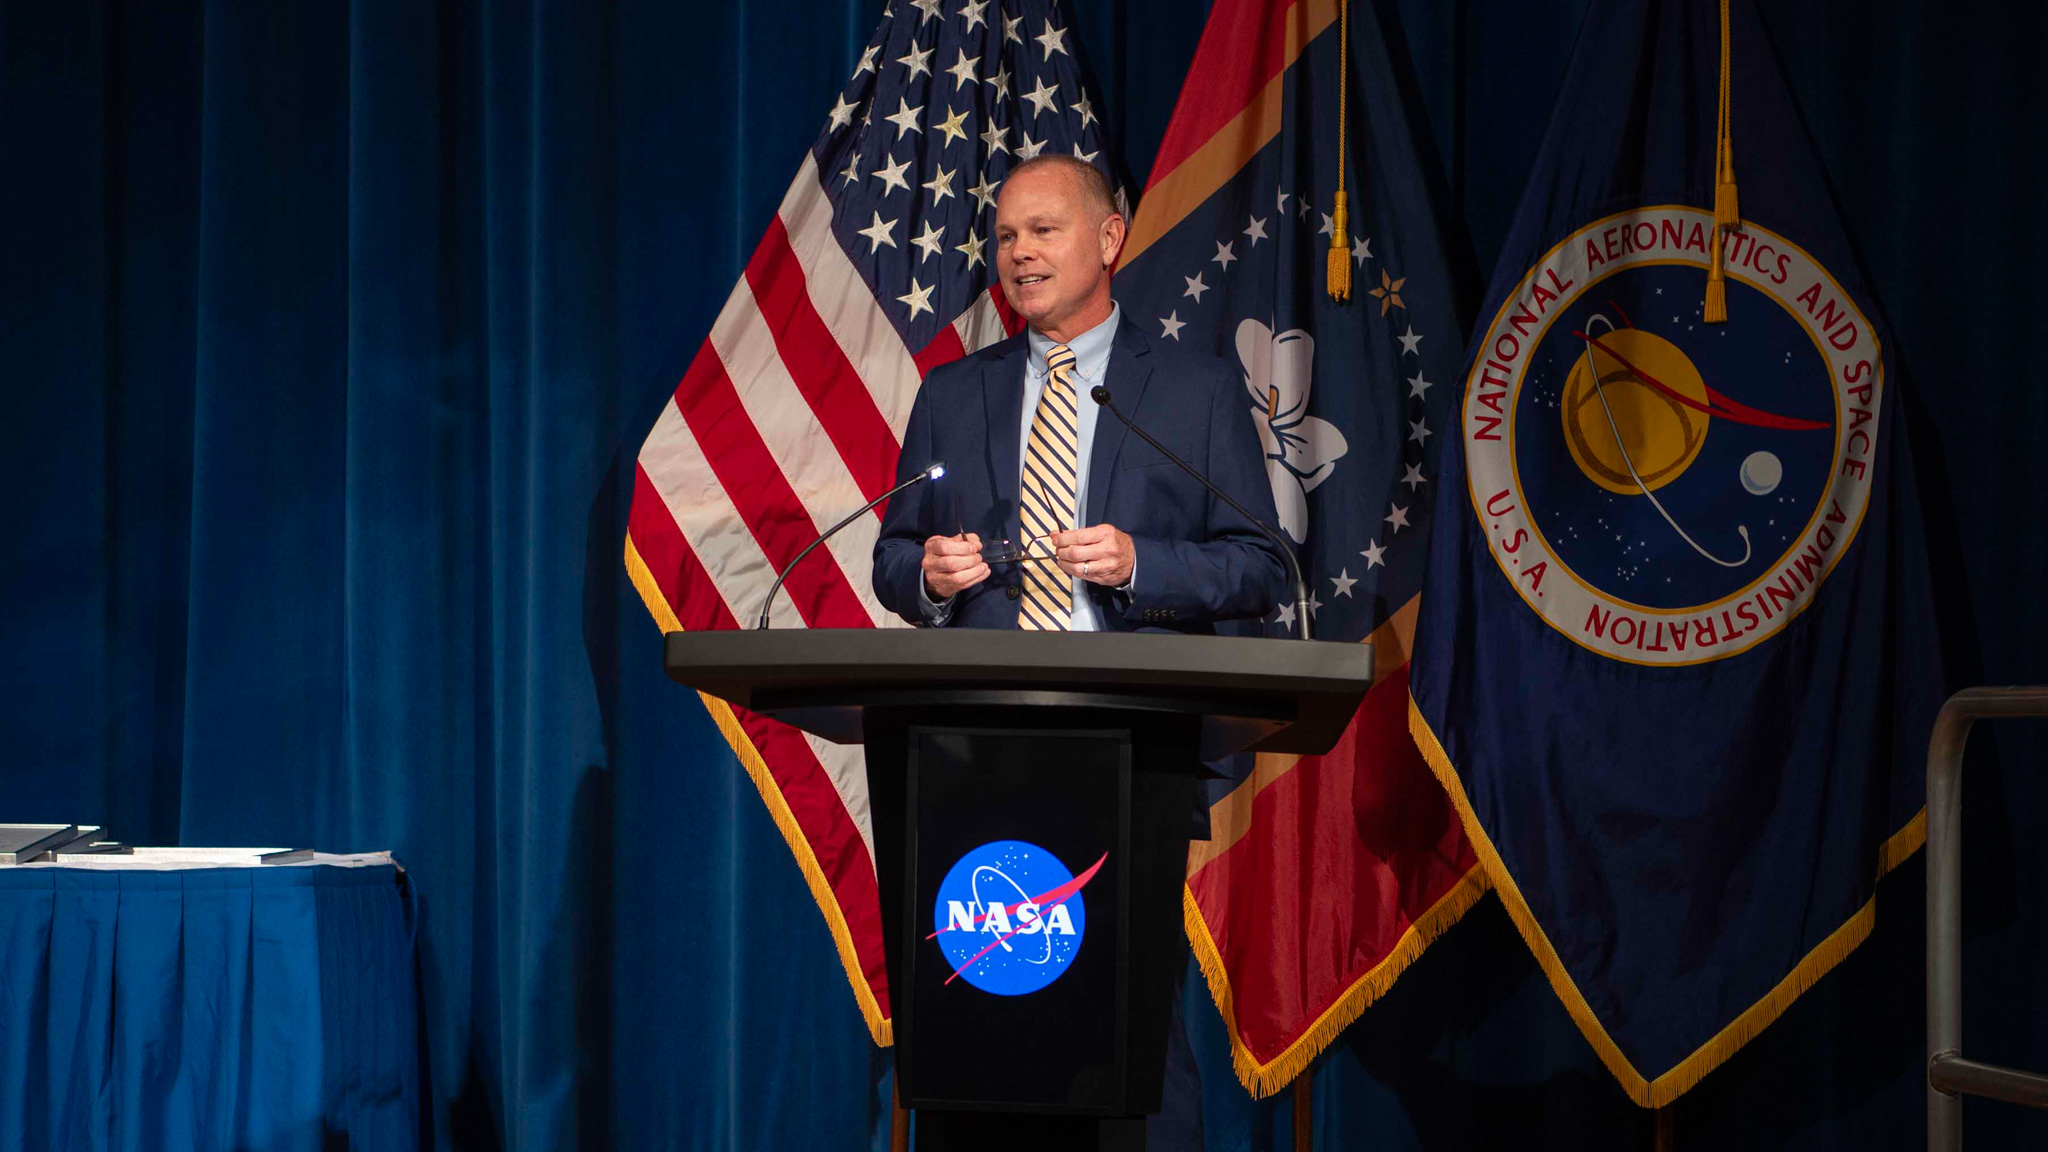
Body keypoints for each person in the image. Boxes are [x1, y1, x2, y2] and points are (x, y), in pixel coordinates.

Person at [871, 154, 1287, 631]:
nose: (1019, 252)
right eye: (1006, 237)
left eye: (1043, 230)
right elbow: (893, 558)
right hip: (986, 688)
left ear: (1109, 239)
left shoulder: (1200, 391)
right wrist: (929, 577)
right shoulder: (949, 394)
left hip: (1135, 693)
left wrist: (1139, 565)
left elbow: (1263, 567)